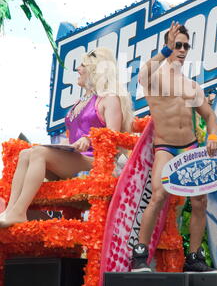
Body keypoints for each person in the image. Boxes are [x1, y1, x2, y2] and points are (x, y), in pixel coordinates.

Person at [0, 47, 133, 228]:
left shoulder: (109, 98)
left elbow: (113, 135)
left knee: (38, 153)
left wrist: (89, 139)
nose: (77, 69)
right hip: (75, 157)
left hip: (96, 162)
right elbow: (74, 136)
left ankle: (19, 211)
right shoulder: (81, 101)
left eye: (82, 65)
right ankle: (11, 210)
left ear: (95, 70)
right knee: (25, 153)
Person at [131, 21, 217, 273]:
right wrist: (166, 50)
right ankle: (140, 255)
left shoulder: (191, 85)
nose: (182, 49)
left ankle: (194, 257)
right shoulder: (154, 80)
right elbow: (143, 73)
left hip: (189, 147)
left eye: (185, 46)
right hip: (165, 147)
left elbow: (210, 117)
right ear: (169, 45)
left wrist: (212, 137)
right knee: (158, 194)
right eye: (177, 45)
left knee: (200, 200)